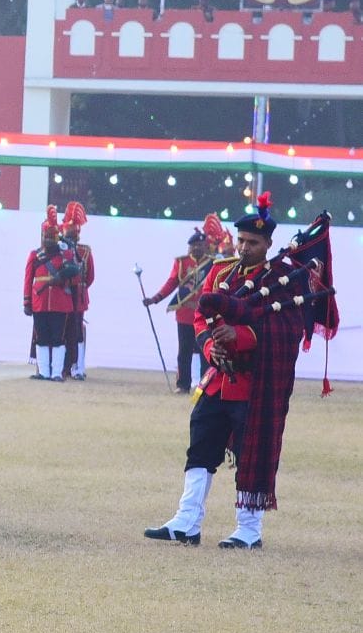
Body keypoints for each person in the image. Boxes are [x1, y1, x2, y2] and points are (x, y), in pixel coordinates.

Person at [145, 196, 336, 549]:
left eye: (253, 243)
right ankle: (187, 521)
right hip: (217, 380)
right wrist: (209, 346)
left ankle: (248, 529)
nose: (244, 247)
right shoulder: (220, 271)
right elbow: (201, 315)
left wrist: (241, 337)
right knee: (200, 447)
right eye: (241, 240)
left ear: (268, 245)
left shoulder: (283, 277)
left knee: (253, 454)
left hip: (255, 384)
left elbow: (288, 328)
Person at [142, 230, 213, 390]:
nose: (197, 248)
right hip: (185, 315)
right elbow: (171, 283)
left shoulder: (212, 264)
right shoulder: (182, 263)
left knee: (205, 352)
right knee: (184, 352)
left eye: (200, 245)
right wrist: (155, 299)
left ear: (205, 246)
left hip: (205, 315)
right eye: (194, 245)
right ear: (190, 247)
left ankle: (206, 386)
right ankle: (183, 385)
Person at [23, 208, 79, 382]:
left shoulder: (66, 254)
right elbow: (28, 279)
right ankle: (43, 371)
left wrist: (61, 277)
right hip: (39, 301)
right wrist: (27, 301)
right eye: (45, 236)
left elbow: (75, 275)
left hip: (59, 302)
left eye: (50, 237)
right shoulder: (35, 254)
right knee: (41, 337)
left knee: (58, 338)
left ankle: (56, 372)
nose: (47, 240)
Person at [60, 204, 96, 380]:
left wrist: (79, 288)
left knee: (77, 334)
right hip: (62, 294)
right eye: (69, 231)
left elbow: (90, 277)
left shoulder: (85, 251)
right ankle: (63, 366)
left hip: (79, 296)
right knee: (62, 331)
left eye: (74, 231)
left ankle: (78, 367)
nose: (71, 234)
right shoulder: (59, 249)